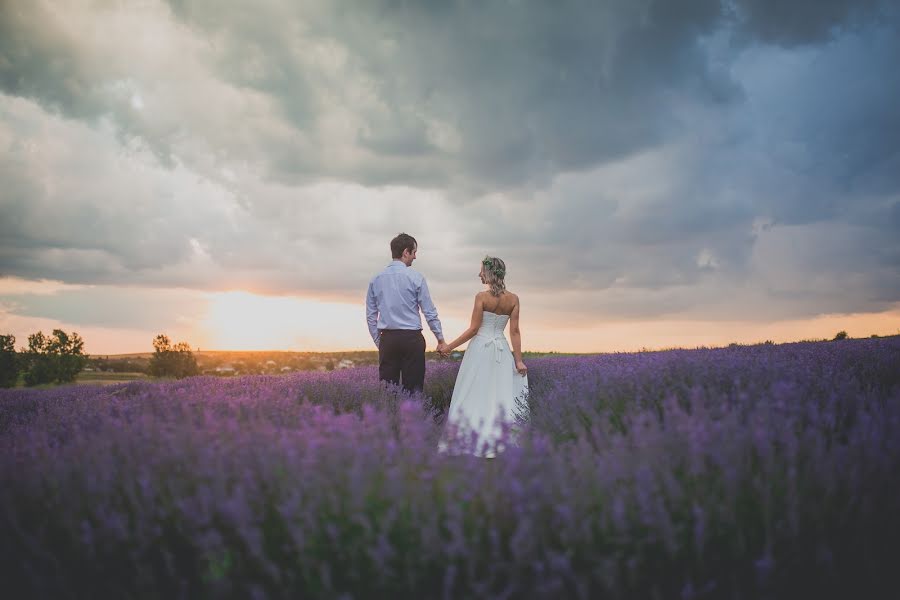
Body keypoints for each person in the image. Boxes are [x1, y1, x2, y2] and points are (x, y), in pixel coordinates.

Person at [437, 256, 528, 458]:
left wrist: (449, 346)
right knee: (498, 394)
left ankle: (470, 438)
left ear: (489, 273)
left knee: (473, 392)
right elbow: (514, 332)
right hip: (502, 352)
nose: (479, 274)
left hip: (480, 350)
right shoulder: (513, 299)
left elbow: (473, 329)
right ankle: (497, 439)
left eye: (481, 271)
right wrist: (518, 360)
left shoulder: (481, 297)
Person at [366, 233, 448, 393]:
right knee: (414, 392)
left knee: (388, 394)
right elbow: (429, 311)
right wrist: (440, 339)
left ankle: (388, 418)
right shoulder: (416, 278)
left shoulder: (375, 279)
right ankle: (414, 418)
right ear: (406, 252)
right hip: (412, 340)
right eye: (414, 252)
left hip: (388, 339)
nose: (415, 257)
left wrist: (380, 341)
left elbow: (371, 315)